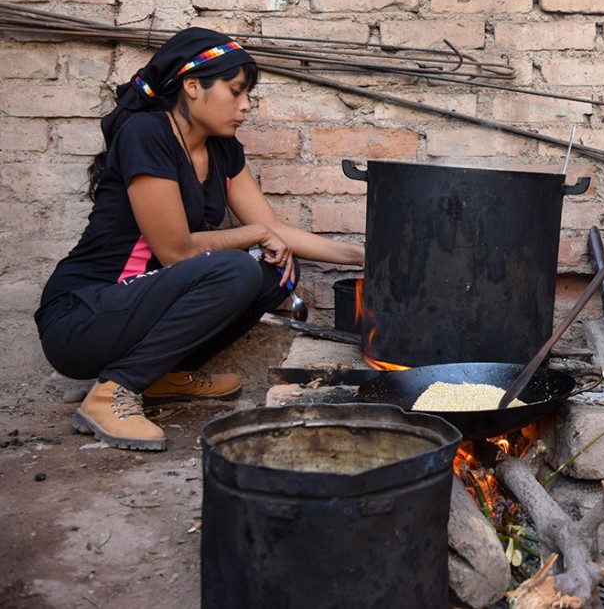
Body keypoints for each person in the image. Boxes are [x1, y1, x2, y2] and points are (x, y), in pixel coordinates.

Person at [34, 27, 364, 452]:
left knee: (277, 271)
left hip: (138, 310)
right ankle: (113, 392)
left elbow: (274, 231)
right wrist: (254, 235)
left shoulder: (223, 150)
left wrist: (366, 257)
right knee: (236, 267)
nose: (245, 106)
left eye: (248, 95)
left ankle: (163, 375)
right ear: (192, 86)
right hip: (83, 317)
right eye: (234, 91)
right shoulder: (146, 134)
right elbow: (176, 251)